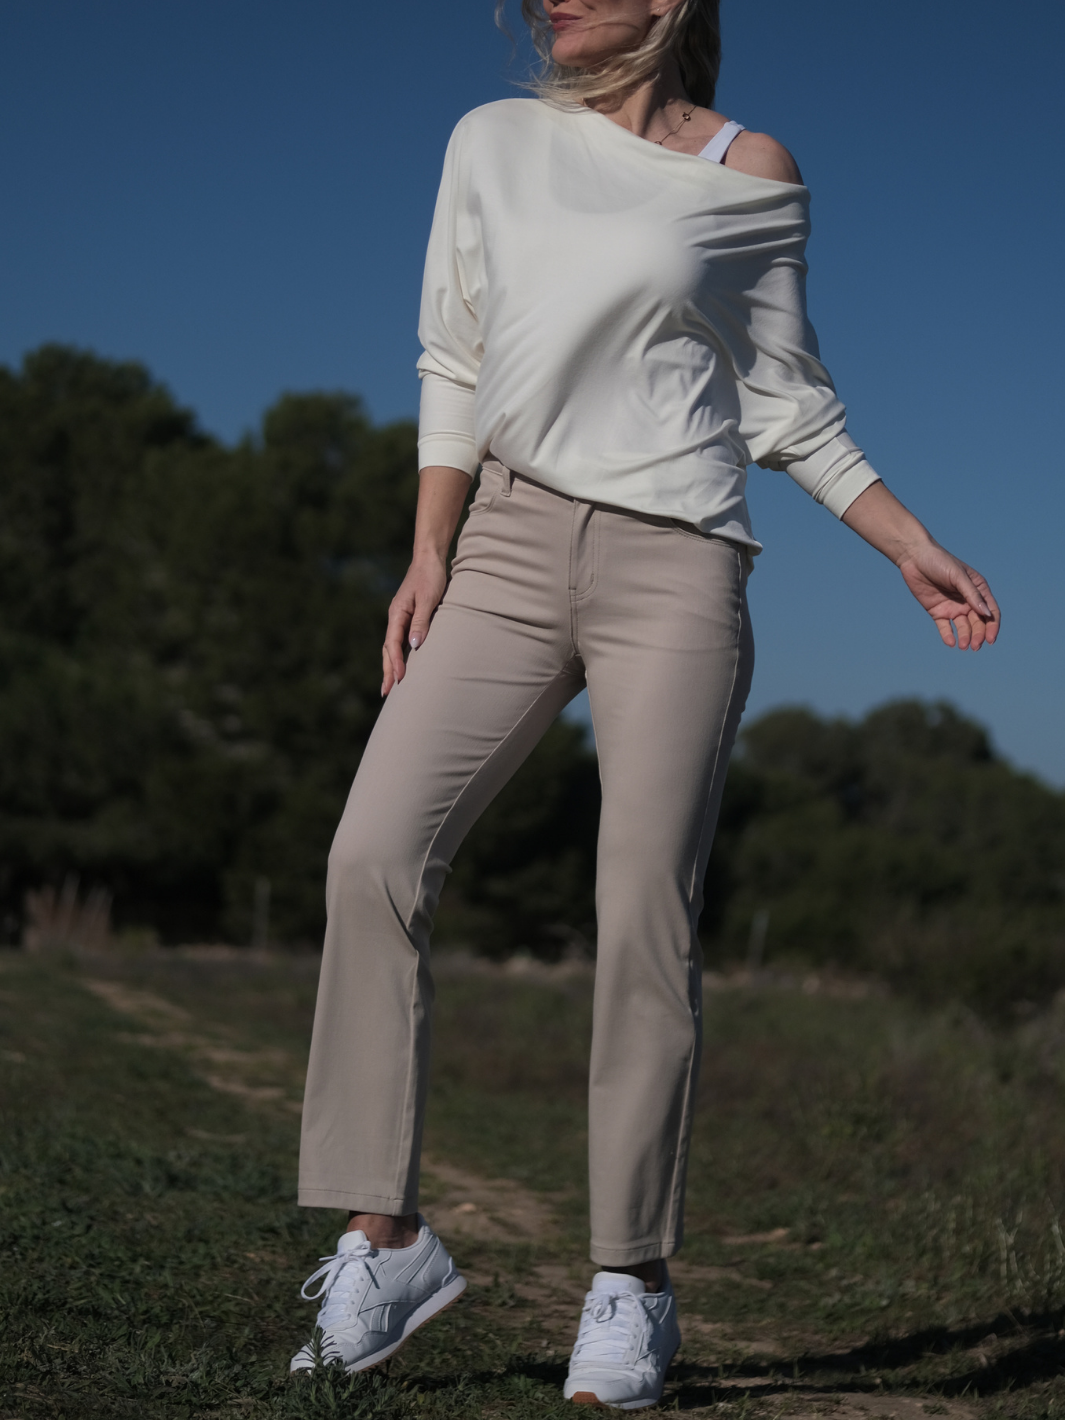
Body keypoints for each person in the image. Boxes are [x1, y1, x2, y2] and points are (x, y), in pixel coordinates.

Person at [289, 0, 1000, 1407]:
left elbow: (787, 402)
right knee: (372, 853)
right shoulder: (493, 140)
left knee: (641, 912)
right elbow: (453, 353)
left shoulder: (751, 170)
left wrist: (906, 542)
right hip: (502, 546)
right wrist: (428, 548)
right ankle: (388, 1236)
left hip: (677, 566)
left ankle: (632, 1283)